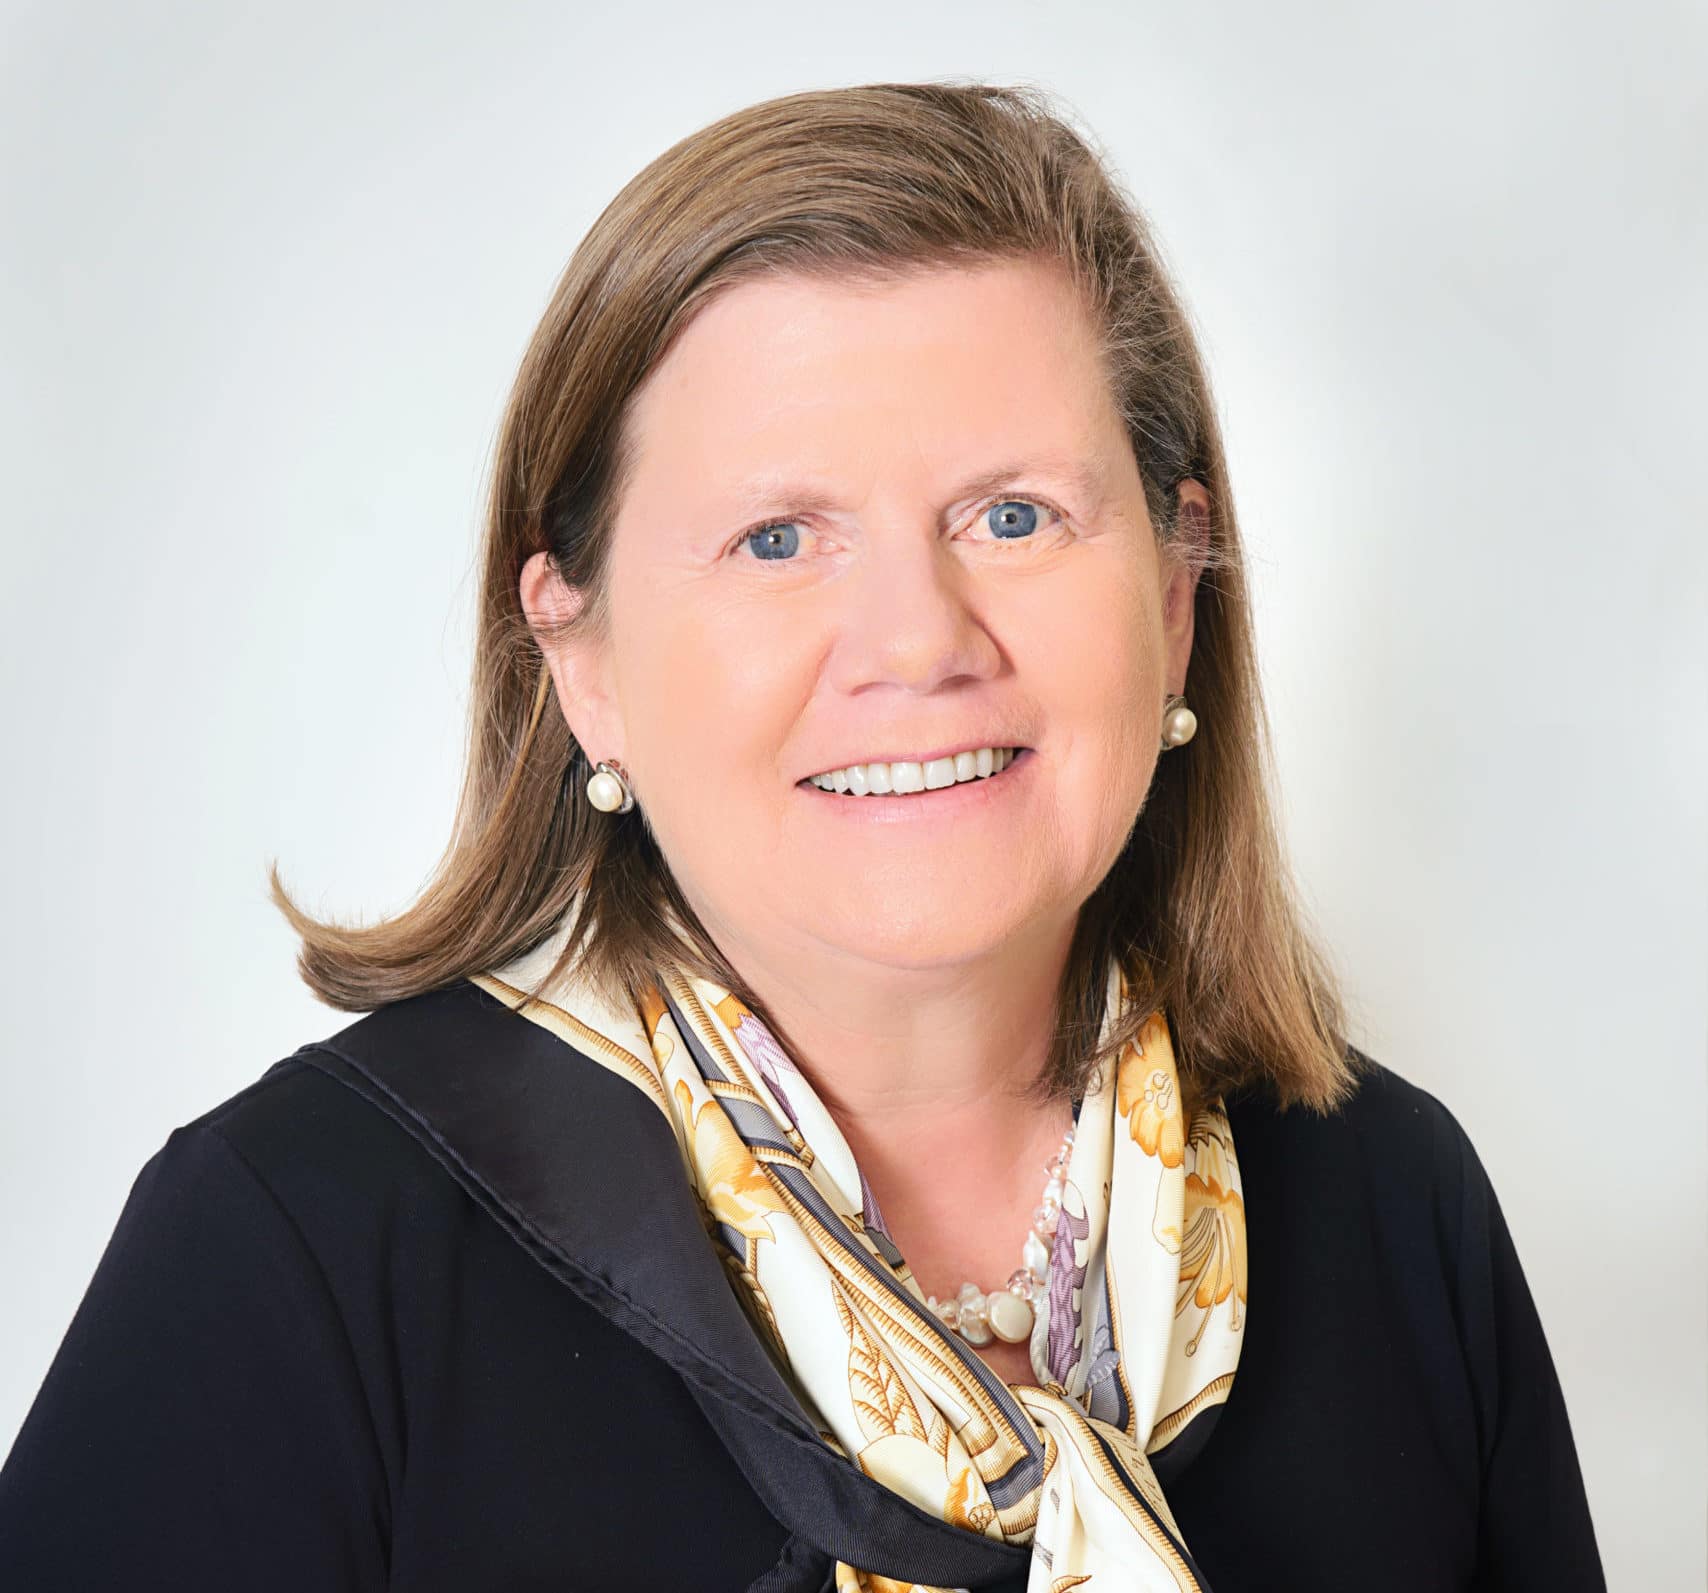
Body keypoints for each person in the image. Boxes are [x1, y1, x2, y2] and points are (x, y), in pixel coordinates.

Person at [0, 81, 1604, 1591]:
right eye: (779, 537)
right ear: (582, 658)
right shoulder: (295, 1255)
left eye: (1014, 516)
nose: (918, 639)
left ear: (1178, 600)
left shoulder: (1396, 1211)